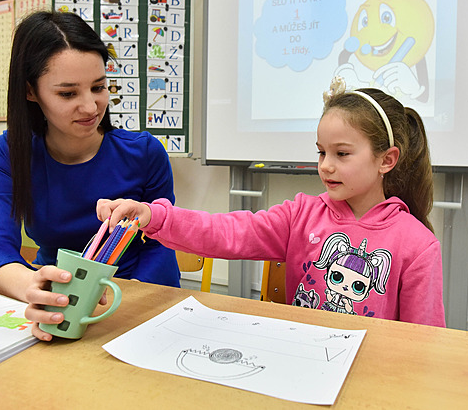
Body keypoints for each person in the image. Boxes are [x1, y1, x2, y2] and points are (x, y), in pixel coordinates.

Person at [97, 76, 445, 327]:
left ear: (387, 159)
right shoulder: (301, 215)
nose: (326, 165)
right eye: (322, 152)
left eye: (342, 153)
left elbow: (425, 343)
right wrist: (153, 215)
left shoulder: (417, 245)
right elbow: (227, 231)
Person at [0, 11, 180, 340]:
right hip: (58, 298)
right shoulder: (7, 154)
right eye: (67, 93)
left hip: (135, 300)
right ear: (31, 91)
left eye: (99, 87)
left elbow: (161, 245)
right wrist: (33, 287)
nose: (91, 107)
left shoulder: (144, 153)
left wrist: (120, 298)